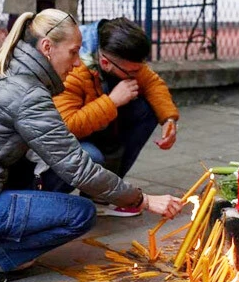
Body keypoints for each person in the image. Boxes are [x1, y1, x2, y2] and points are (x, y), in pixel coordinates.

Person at [0, 10, 183, 282]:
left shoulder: (4, 70)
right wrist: (144, 200)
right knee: (81, 214)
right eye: (73, 52)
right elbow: (76, 167)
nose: (77, 62)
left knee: (64, 171)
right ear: (47, 47)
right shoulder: (28, 92)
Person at [44, 18, 179, 216]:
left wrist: (168, 119)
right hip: (59, 141)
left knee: (146, 109)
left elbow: (152, 82)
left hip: (96, 120)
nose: (138, 73)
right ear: (105, 63)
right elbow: (65, 126)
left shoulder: (117, 53)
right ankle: (44, 203)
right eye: (133, 71)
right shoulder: (74, 66)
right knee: (91, 156)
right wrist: (112, 102)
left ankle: (103, 195)